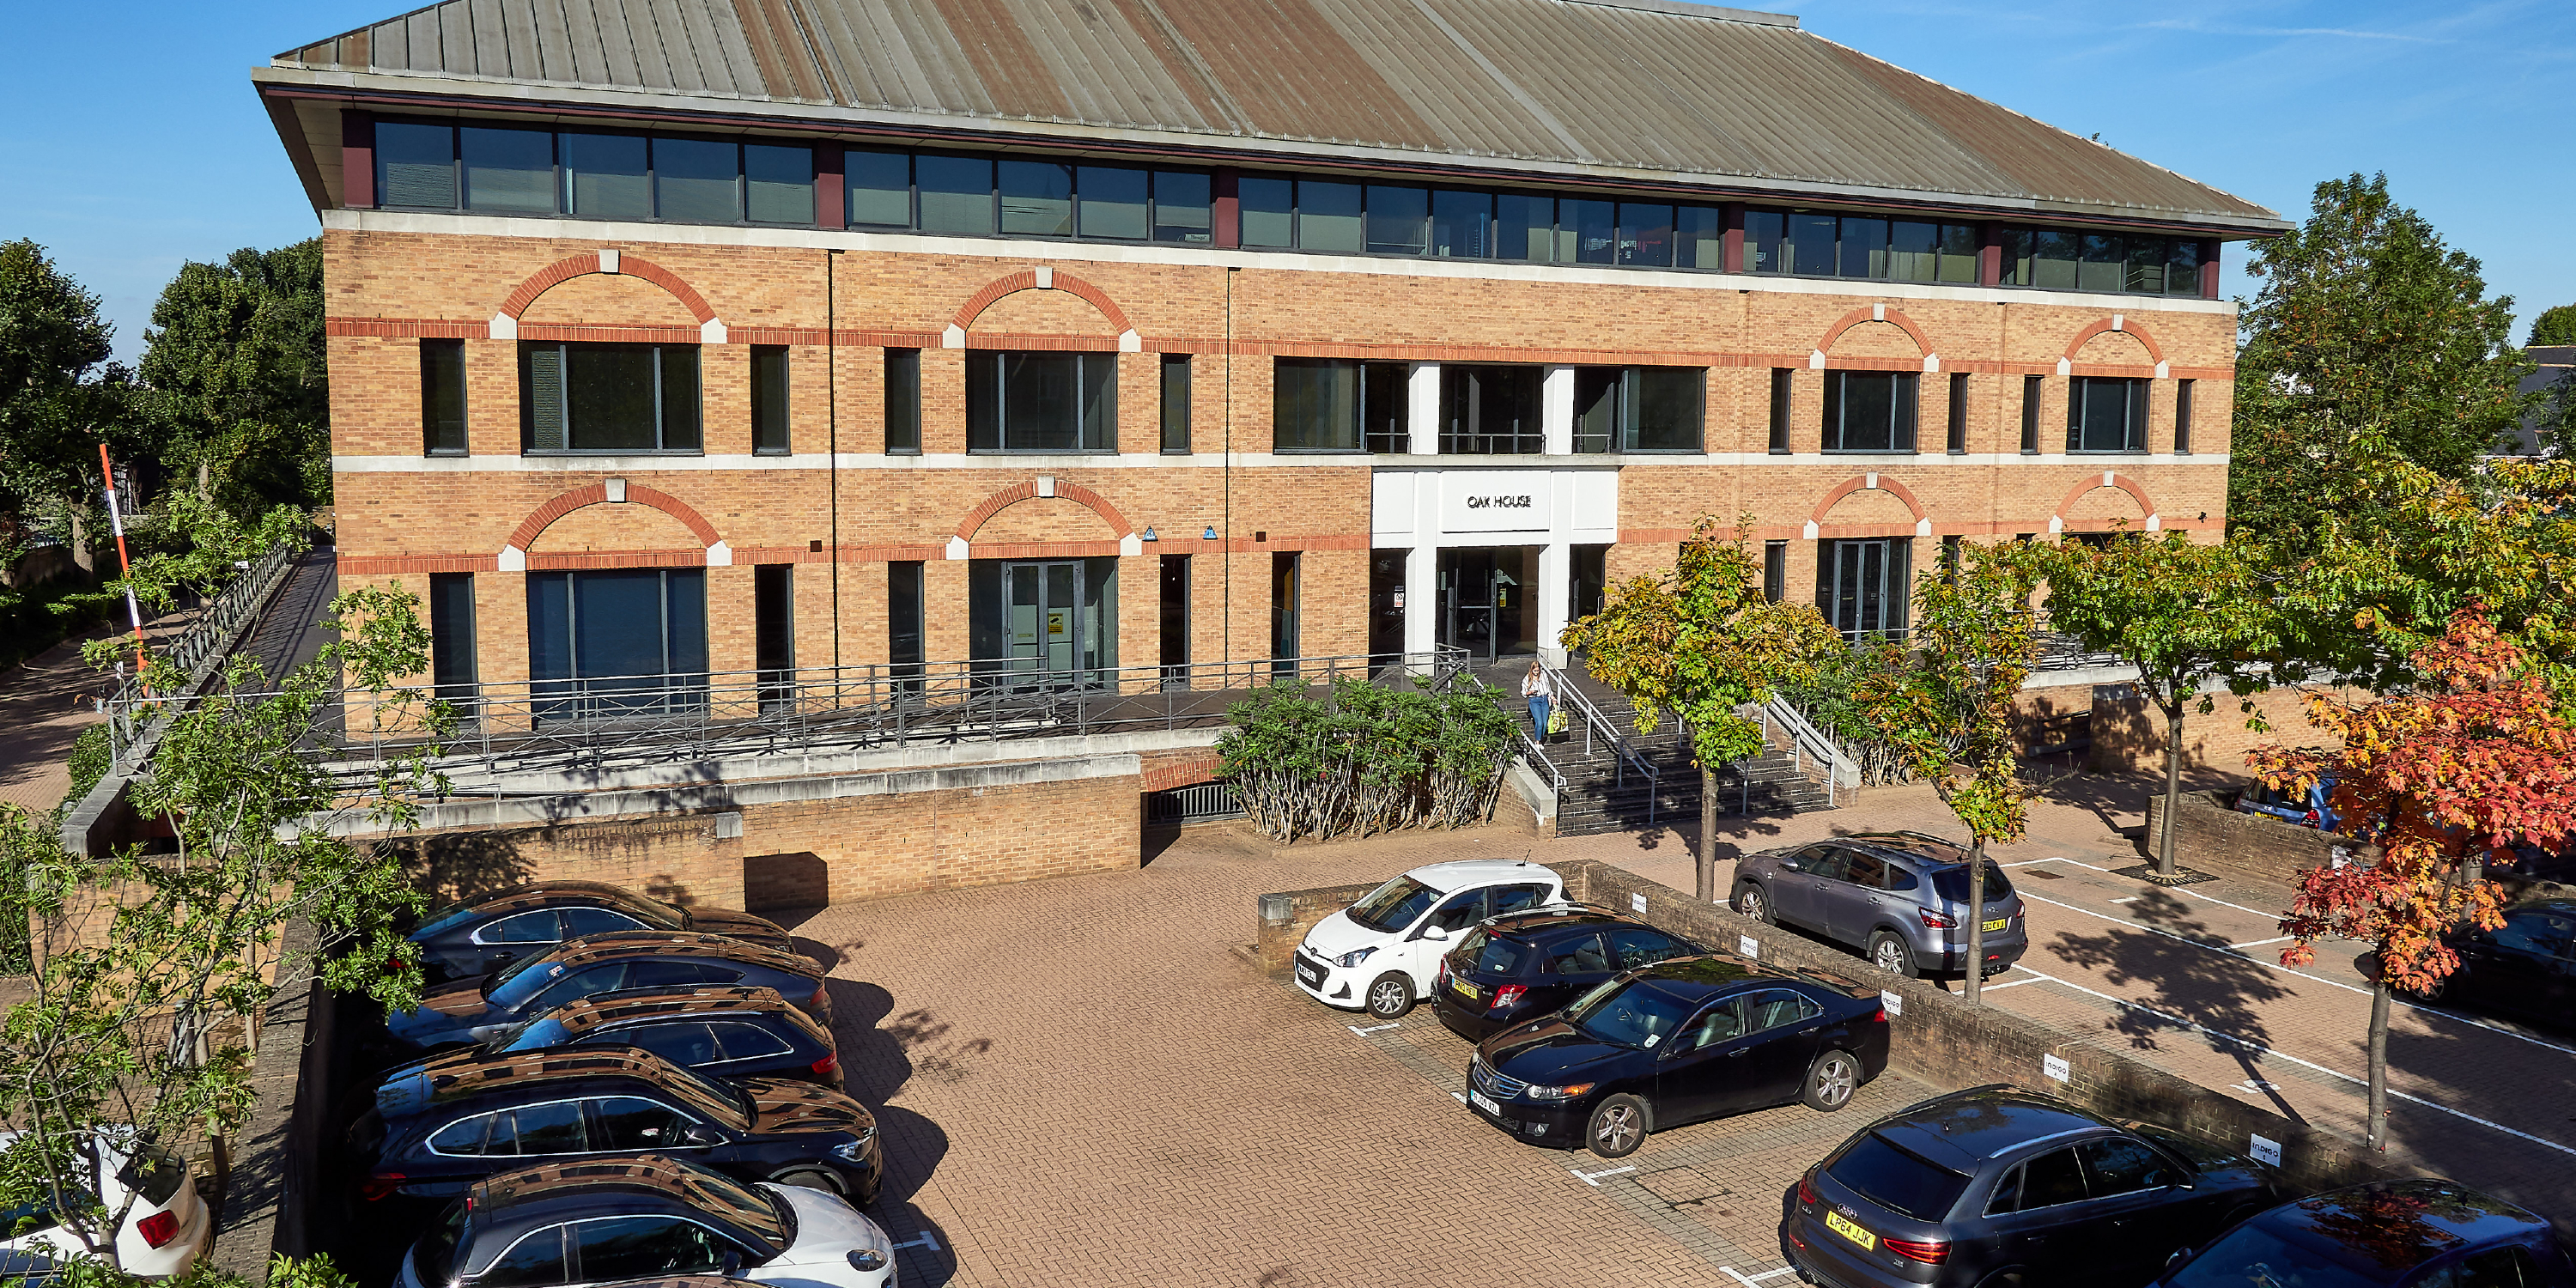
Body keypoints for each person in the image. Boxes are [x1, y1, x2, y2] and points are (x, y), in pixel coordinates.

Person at [1522, 661, 1552, 740]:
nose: (1536, 673)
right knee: (1539, 723)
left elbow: (1548, 687)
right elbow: (1524, 692)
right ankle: (1538, 741)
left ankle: (1541, 738)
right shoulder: (1527, 678)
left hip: (1544, 699)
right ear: (1531, 670)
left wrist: (1552, 697)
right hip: (1534, 700)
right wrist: (1530, 692)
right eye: (1534, 671)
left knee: (1545, 724)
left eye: (1538, 670)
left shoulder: (1543, 675)